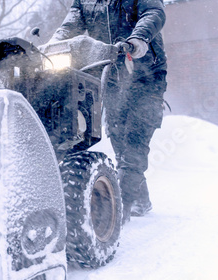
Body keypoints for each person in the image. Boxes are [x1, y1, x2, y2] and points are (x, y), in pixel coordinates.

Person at [48, 0, 168, 222]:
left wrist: (137, 38)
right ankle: (141, 199)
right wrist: (50, 47)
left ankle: (121, 208)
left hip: (146, 76)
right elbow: (70, 27)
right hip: (110, 74)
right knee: (119, 138)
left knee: (134, 140)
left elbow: (153, 11)